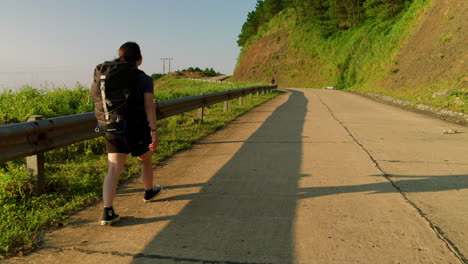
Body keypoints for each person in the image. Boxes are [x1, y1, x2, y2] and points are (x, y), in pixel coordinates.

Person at [100, 42, 162, 225]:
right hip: (136, 129)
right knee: (145, 160)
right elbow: (149, 106)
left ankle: (107, 211)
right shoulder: (144, 79)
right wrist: (154, 131)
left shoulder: (109, 76)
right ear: (139, 60)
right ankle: (149, 191)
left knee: (113, 169)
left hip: (113, 127)